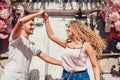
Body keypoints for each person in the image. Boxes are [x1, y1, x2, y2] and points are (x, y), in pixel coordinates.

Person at [42, 12, 106, 80]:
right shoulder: (67, 44)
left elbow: (95, 65)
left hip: (81, 77)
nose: (67, 29)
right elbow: (51, 36)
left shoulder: (86, 45)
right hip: (66, 75)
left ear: (75, 28)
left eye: (69, 27)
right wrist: (46, 20)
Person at [0, 10, 61, 80]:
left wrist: (62, 63)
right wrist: (37, 14)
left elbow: (46, 58)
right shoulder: (16, 39)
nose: (33, 27)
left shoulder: (32, 45)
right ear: (23, 26)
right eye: (31, 25)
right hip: (11, 77)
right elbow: (20, 21)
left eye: (33, 25)